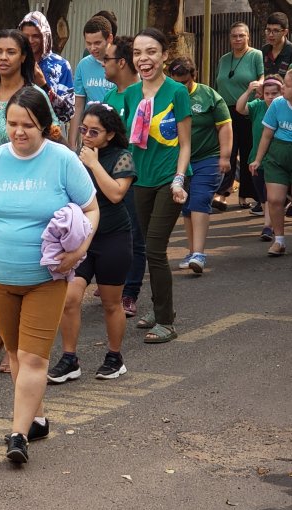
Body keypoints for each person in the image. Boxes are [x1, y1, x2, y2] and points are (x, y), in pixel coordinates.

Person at [0, 87, 98, 464]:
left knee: (33, 358)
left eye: (28, 125)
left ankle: (18, 434)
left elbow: (92, 209)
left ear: (45, 126)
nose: (18, 132)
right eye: (12, 124)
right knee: (15, 353)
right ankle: (38, 418)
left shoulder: (62, 160)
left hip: (47, 276)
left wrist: (78, 252)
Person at [0, 29, 57, 373]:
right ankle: (0, 331)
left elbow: (50, 140)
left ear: (24, 57)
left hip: (32, 193)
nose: (3, 57)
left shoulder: (35, 95)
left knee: (25, 271)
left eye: (11, 52)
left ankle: (16, 343)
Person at [48, 103, 135, 384]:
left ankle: (114, 357)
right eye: (83, 130)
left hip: (113, 237)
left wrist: (94, 163)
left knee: (111, 303)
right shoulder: (76, 157)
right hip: (81, 238)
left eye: (94, 132)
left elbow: (116, 194)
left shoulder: (122, 157)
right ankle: (70, 358)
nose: (86, 136)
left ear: (109, 134)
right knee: (69, 299)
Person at [123, 27, 191, 343]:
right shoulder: (130, 94)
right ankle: (159, 307)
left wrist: (179, 179)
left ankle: (165, 320)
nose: (143, 59)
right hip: (141, 180)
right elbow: (126, 144)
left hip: (169, 178)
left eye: (151, 51)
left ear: (164, 55)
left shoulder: (176, 92)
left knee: (154, 247)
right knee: (148, 249)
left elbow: (186, 145)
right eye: (138, 53)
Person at [169, 56, 232, 275]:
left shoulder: (209, 95)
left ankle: (199, 254)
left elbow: (225, 126)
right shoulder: (167, 95)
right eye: (176, 82)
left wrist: (225, 156)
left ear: (193, 77)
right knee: (186, 206)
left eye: (184, 82)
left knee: (199, 199)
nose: (181, 86)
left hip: (208, 158)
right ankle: (191, 251)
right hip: (181, 162)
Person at [102, 36, 146, 317]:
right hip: (104, 175)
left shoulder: (143, 94)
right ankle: (112, 281)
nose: (102, 63)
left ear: (121, 62)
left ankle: (130, 293)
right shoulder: (109, 96)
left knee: (134, 236)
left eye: (106, 58)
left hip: (134, 176)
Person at [214, 21, 264, 210]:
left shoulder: (255, 55)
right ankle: (223, 193)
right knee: (228, 151)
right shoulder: (224, 59)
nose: (237, 39)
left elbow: (263, 77)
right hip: (226, 110)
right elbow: (219, 83)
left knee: (248, 151)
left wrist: (258, 85)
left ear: (248, 37)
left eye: (241, 35)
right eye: (234, 35)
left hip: (247, 109)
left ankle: (247, 194)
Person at [249, 70, 292, 256]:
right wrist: (258, 159)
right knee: (274, 199)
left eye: (288, 85)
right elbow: (267, 134)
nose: (283, 88)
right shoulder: (277, 104)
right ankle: (279, 241)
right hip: (277, 157)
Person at [237, 75, 283, 241]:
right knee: (263, 197)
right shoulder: (258, 106)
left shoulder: (284, 107)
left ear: (282, 92)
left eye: (274, 93)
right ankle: (269, 222)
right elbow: (240, 108)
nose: (270, 97)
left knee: (271, 195)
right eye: (267, 93)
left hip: (278, 160)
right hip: (257, 158)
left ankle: (267, 226)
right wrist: (249, 90)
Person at [18, 11, 75, 123]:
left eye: (35, 36)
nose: (30, 41)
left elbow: (68, 112)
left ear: (45, 36)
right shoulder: (15, 61)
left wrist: (44, 86)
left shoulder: (60, 66)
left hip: (51, 132)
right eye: (25, 36)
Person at [68, 16, 115, 147]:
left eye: (97, 43)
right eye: (88, 43)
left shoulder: (121, 63)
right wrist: (72, 144)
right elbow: (78, 106)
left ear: (109, 38)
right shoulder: (83, 65)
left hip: (114, 136)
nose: (92, 48)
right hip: (90, 137)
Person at [261, 12, 292, 78]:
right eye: (268, 30)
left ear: (285, 32)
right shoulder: (264, 50)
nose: (270, 35)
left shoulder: (290, 51)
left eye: (276, 31)